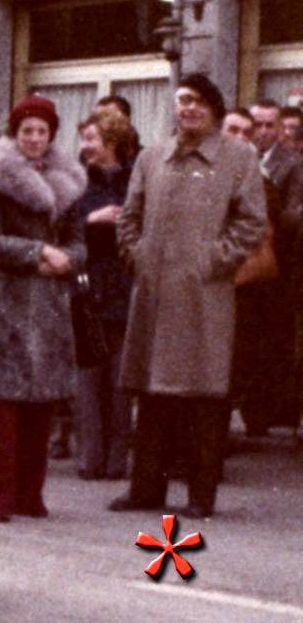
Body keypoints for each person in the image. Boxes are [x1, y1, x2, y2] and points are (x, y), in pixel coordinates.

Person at [109, 73, 266, 519]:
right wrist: (137, 256)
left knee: (203, 397)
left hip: (204, 296)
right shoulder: (152, 156)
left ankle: (200, 495)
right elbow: (129, 215)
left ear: (214, 109)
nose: (188, 109)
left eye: (197, 102)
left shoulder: (239, 157)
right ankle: (146, 490)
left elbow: (251, 223)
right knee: (152, 393)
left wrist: (212, 262)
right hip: (154, 293)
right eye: (181, 101)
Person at [0, 94, 87, 523]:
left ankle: (28, 495)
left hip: (50, 301)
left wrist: (69, 258)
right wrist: (39, 253)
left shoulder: (68, 180)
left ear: (52, 136)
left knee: (40, 402)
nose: (34, 139)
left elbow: (79, 240)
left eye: (42, 131)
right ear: (14, 135)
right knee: (1, 402)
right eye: (26, 131)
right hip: (5, 299)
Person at [72, 110, 137, 480]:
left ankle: (116, 460)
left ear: (110, 141)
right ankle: (89, 458)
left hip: (124, 286)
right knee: (88, 376)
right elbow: (64, 225)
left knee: (120, 378)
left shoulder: (133, 180)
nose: (85, 147)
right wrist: (91, 221)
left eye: (91, 139)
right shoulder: (77, 181)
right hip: (88, 287)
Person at [242, 98, 303, 435]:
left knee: (267, 342)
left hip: (274, 263)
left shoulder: (292, 164)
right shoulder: (235, 157)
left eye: (269, 125)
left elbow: (295, 213)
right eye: (257, 124)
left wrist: (269, 208)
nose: (262, 132)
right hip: (242, 263)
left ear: (280, 128)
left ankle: (260, 415)